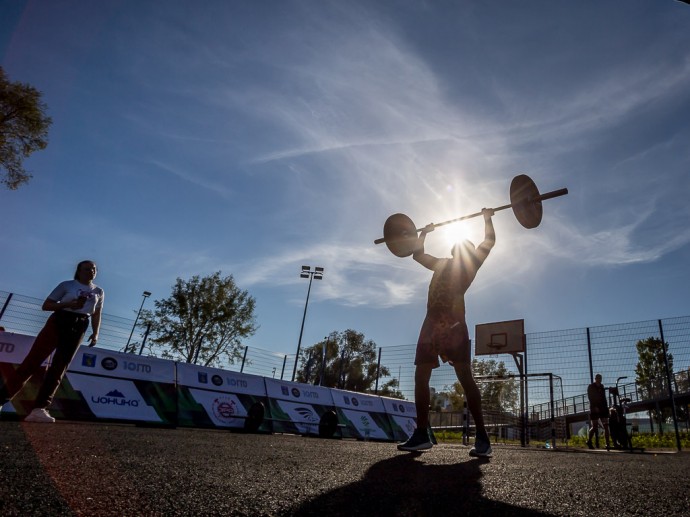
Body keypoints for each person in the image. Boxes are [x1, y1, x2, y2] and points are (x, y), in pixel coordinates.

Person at [397, 209, 495, 457]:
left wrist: (487, 217)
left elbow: (489, 241)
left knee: (465, 377)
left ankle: (482, 437)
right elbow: (417, 254)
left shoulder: (471, 266)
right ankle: (421, 434)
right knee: (421, 374)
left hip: (453, 325)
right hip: (432, 322)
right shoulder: (440, 264)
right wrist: (424, 234)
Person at [0, 260, 103, 423]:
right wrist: (69, 304)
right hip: (60, 320)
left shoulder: (99, 291)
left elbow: (97, 313)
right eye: (87, 269)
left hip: (81, 325)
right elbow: (46, 305)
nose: (91, 271)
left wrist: (96, 333)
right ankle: (1, 399)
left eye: (94, 269)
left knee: (59, 368)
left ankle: (39, 409)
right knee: (33, 361)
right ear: (79, 270)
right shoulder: (67, 285)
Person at [586, 373, 611, 450]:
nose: (599, 380)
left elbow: (604, 398)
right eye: (598, 378)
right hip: (594, 408)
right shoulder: (591, 387)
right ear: (595, 379)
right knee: (595, 426)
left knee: (606, 425)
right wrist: (594, 406)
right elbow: (590, 397)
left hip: (603, 408)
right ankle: (589, 441)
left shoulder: (602, 387)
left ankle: (607, 444)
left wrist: (606, 408)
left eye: (600, 378)